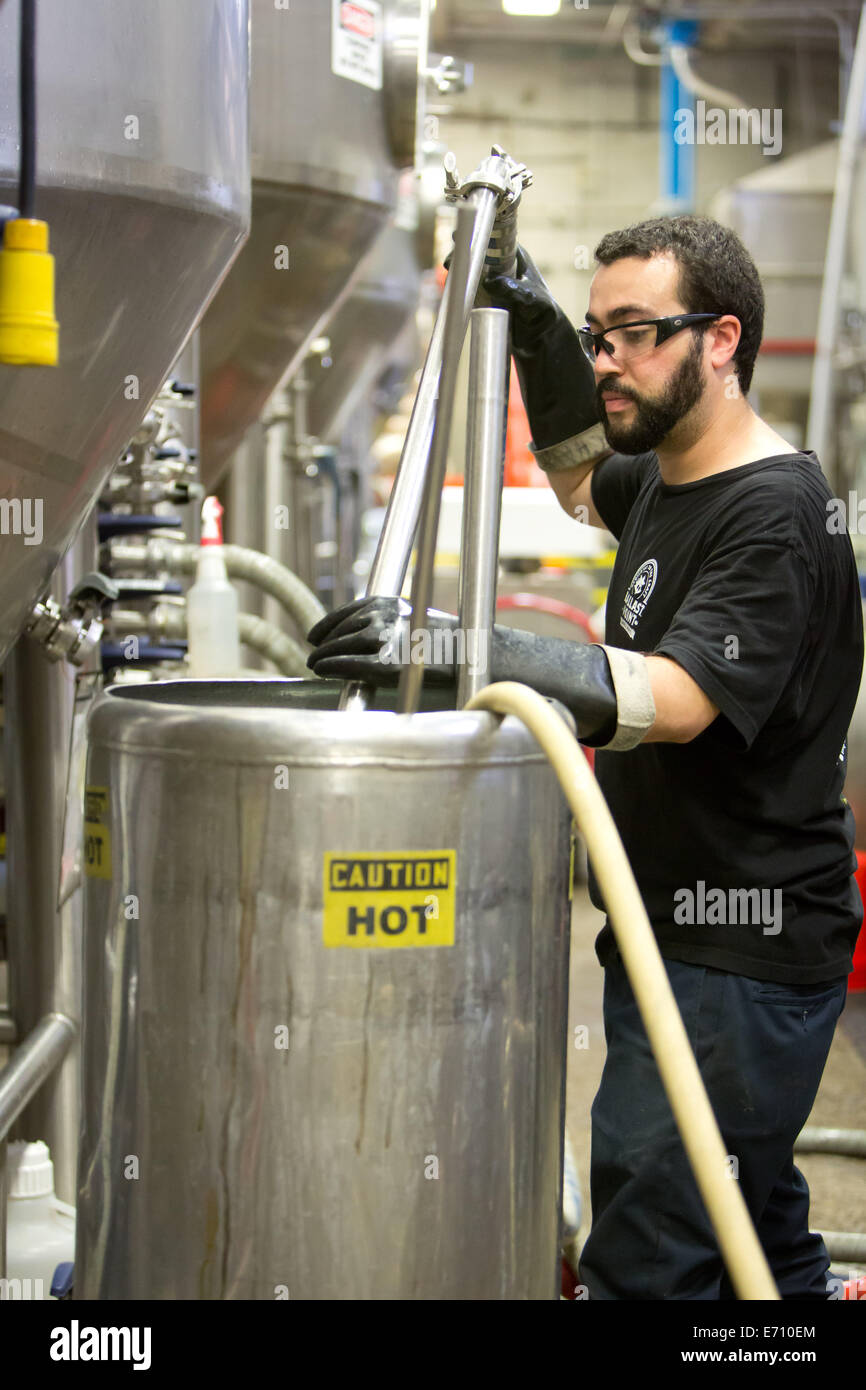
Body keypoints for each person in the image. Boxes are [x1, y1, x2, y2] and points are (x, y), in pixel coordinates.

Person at [305, 214, 864, 1300]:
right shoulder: (665, 473)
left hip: (736, 954)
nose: (609, 359)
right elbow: (575, 480)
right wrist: (536, 329)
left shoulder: (774, 510)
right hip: (674, 931)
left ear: (720, 340)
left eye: (633, 333)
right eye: (597, 335)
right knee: (748, 1239)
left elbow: (678, 699)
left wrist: (463, 645)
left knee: (653, 1255)